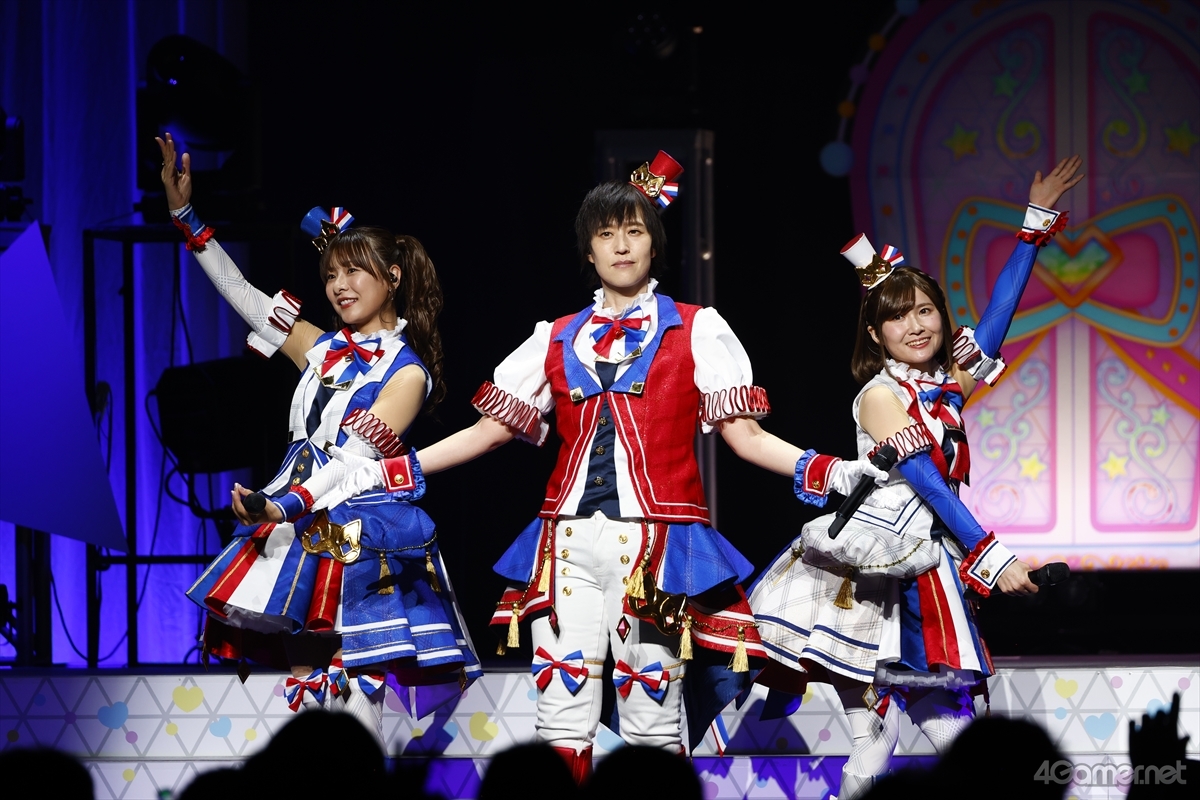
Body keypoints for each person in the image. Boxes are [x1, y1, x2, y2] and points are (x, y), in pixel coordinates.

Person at [413, 151, 886, 778]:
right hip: (566, 544)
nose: (620, 245)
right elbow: (488, 432)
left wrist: (831, 470)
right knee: (560, 711)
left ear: (654, 244)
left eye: (634, 231)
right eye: (606, 233)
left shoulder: (697, 328)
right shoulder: (554, 336)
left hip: (657, 548)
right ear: (588, 250)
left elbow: (746, 437)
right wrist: (397, 469)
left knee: (651, 713)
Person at [749, 156, 1084, 799]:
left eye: (926, 310)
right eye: (899, 316)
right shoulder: (881, 397)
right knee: (907, 733)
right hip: (881, 577)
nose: (917, 325)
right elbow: (928, 484)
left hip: (928, 565)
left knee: (916, 731)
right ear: (876, 334)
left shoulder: (943, 389)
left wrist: (1032, 228)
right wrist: (992, 558)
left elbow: (997, 321)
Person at [155, 133, 481, 742]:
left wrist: (280, 506)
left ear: (392, 276)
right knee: (305, 689)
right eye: (331, 273)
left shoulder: (406, 373)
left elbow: (352, 465)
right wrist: (186, 217)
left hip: (359, 532)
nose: (339, 285)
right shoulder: (321, 347)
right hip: (298, 522)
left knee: (358, 691)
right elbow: (243, 295)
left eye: (353, 270)